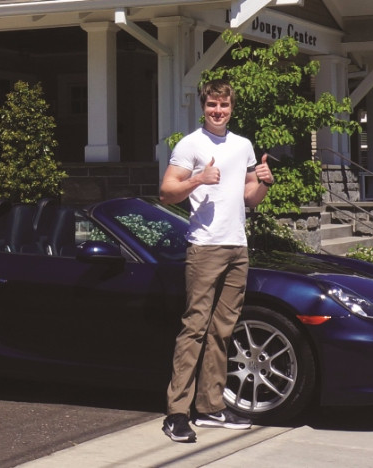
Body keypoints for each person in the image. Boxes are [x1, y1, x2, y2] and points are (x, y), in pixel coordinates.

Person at [159, 79, 274, 443]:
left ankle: (210, 408)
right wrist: (198, 178)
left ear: (231, 108)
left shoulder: (243, 146)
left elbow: (249, 197)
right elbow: (166, 193)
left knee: (222, 330)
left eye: (223, 106)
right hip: (205, 248)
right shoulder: (190, 144)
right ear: (203, 107)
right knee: (194, 328)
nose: (217, 111)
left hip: (237, 247)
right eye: (211, 105)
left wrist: (266, 182)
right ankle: (177, 413)